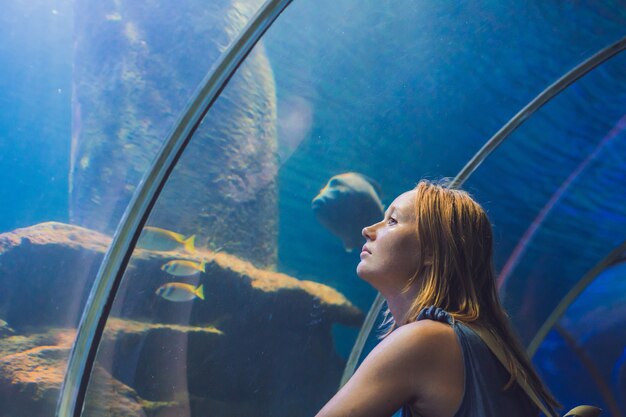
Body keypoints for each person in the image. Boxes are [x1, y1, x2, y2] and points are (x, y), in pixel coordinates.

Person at [316, 179, 560, 417]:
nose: (367, 231)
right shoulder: (487, 346)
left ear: (432, 251)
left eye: (391, 221)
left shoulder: (425, 340)